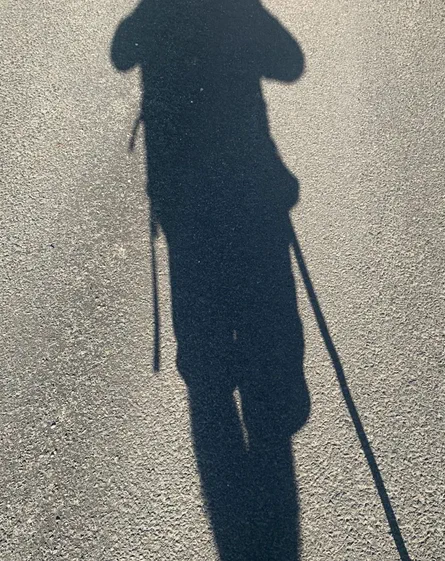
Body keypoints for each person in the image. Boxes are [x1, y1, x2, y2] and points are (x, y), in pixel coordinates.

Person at [111, 1, 310, 559]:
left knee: (201, 332)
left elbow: (121, 52)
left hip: (181, 192)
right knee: (262, 297)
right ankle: (262, 395)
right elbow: (290, 62)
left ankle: (217, 382)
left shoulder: (152, 15)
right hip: (245, 181)